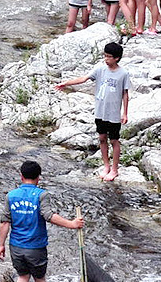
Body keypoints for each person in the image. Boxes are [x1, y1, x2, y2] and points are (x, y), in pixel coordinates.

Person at [0, 159, 85, 282]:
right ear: (38, 177)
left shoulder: (11, 196)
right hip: (35, 247)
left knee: (23, 277)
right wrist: (72, 224)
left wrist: (1, 244)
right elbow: (49, 216)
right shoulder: (41, 195)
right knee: (39, 278)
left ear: (21, 176)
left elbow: (4, 222)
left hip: (16, 246)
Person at [56, 42, 131, 182]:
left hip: (114, 113)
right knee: (102, 138)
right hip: (100, 112)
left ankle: (115, 169)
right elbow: (83, 79)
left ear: (117, 58)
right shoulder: (100, 70)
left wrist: (125, 113)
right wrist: (66, 83)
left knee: (114, 140)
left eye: (109, 57)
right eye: (105, 56)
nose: (106, 59)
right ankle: (106, 165)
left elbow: (125, 94)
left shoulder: (123, 74)